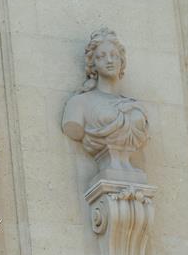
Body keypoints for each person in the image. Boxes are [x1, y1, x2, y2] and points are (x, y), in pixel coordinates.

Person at [61, 28, 148, 176]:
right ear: (92, 64)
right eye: (101, 56)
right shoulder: (79, 103)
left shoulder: (134, 106)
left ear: (122, 61)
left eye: (114, 55)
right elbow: (73, 127)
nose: (109, 60)